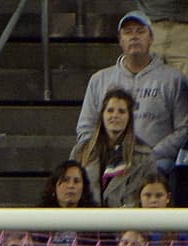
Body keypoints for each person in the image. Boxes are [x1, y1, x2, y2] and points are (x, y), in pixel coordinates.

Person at [76, 10, 188, 174]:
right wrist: (103, 156)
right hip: (107, 163)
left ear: (151, 38)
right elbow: (86, 128)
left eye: (140, 31)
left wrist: (150, 156)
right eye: (128, 32)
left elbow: (183, 129)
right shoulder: (99, 80)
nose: (134, 37)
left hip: (156, 165)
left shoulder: (174, 79)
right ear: (120, 40)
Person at [69, 87, 157, 209]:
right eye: (110, 111)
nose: (115, 115)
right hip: (88, 218)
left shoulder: (145, 155)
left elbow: (148, 195)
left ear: (129, 117)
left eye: (121, 111)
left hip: (127, 218)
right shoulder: (80, 151)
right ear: (102, 115)